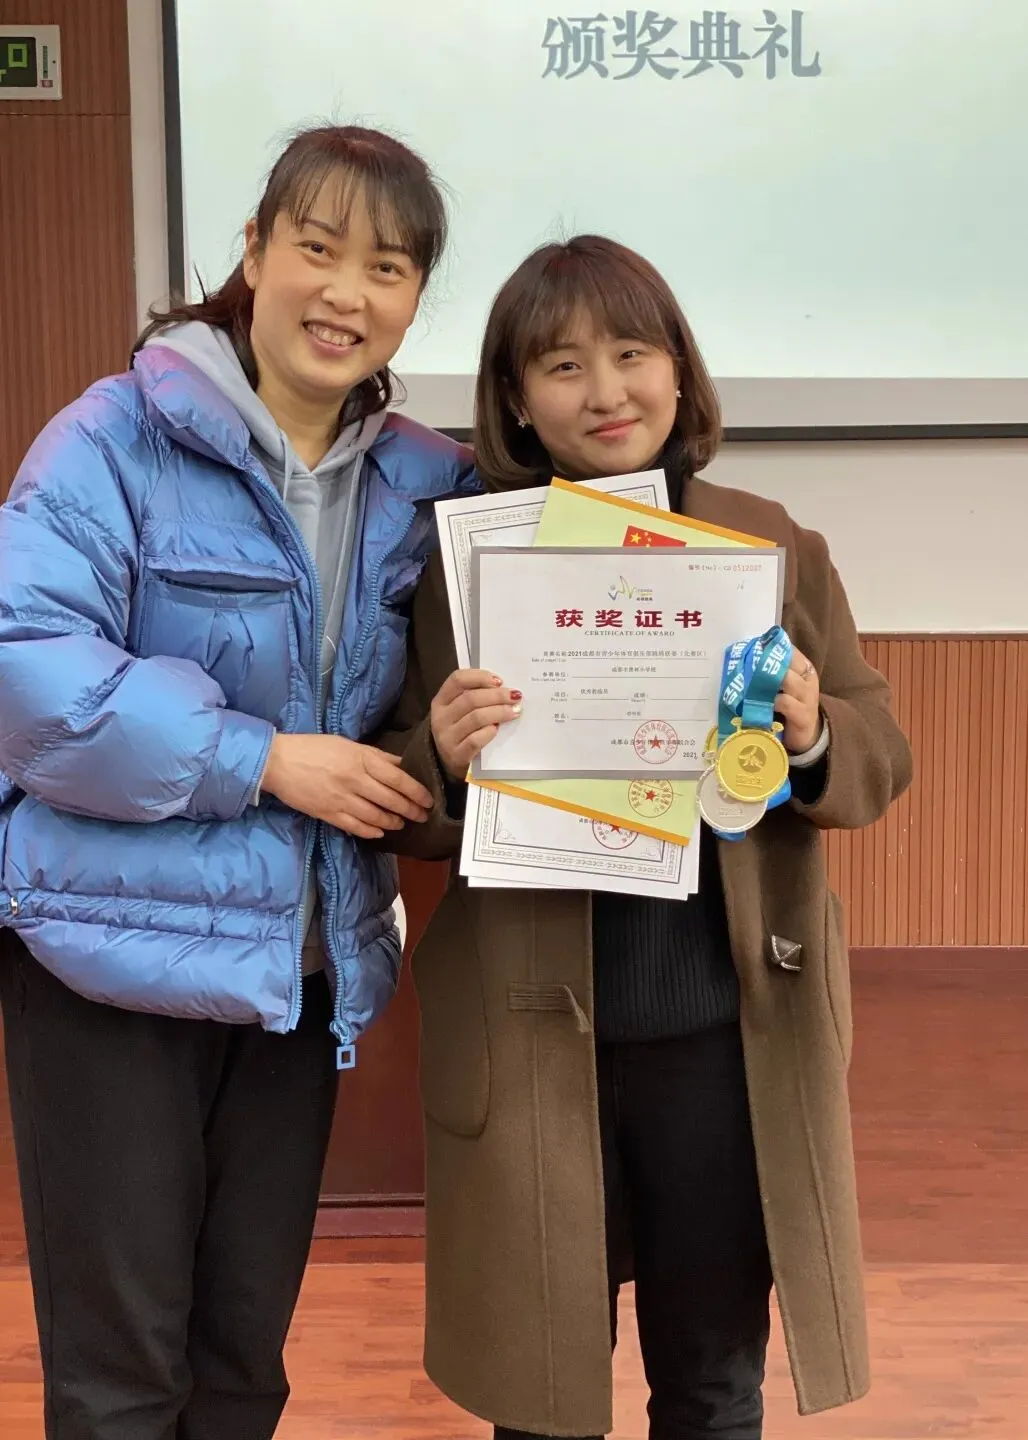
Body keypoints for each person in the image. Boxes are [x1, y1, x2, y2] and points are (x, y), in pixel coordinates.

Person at [375, 235, 914, 1439]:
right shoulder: (465, 563)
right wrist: (439, 756)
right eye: (562, 365)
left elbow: (880, 751)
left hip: (724, 1040)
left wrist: (814, 732)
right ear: (516, 399)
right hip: (529, 1038)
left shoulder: (767, 544)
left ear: (678, 369)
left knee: (712, 1381)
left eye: (631, 353)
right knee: (539, 1393)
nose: (605, 391)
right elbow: (398, 793)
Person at [0, 124, 473, 1439]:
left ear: (414, 299)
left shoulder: (424, 484)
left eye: (387, 268)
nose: (346, 293)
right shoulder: (113, 438)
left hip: (295, 973)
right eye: (317, 248)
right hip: (107, 964)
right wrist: (258, 759)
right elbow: (25, 670)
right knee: (119, 1379)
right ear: (255, 252)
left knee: (240, 1365)